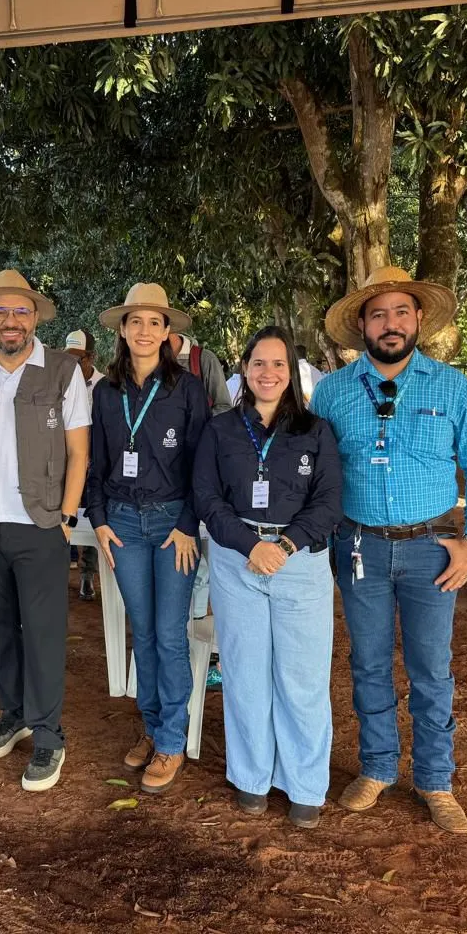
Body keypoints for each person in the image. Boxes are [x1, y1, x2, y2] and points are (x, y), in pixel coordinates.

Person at [311, 266, 467, 835]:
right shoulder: (332, 392)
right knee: (367, 662)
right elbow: (314, 470)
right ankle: (376, 767)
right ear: (361, 326)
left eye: (400, 312)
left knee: (431, 669)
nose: (390, 324)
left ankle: (436, 780)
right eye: (378, 314)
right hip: (359, 547)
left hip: (432, 552)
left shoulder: (452, 386)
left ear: (418, 319)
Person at [0, 269, 90, 793]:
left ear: (35, 318)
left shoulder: (63, 371)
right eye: (0, 311)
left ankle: (49, 733)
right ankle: (15, 712)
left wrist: (67, 518)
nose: (11, 320)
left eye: (21, 311)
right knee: (0, 628)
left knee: (44, 631)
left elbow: (79, 452)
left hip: (40, 523)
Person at [193, 326, 343, 829]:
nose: (269, 373)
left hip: (298, 563)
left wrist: (282, 546)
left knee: (301, 679)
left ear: (292, 373)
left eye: (279, 364)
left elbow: (329, 502)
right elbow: (208, 500)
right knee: (245, 674)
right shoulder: (220, 430)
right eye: (259, 363)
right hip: (239, 562)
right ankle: (252, 777)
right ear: (244, 369)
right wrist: (250, 546)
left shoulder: (315, 432)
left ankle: (305, 784)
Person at [87, 283, 209, 794]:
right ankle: (154, 726)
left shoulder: (187, 389)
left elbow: (205, 465)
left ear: (167, 332)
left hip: (171, 526)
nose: (144, 330)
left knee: (169, 633)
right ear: (122, 329)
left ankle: (170, 742)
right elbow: (94, 461)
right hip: (122, 523)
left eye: (154, 322)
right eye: (135, 321)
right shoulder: (105, 391)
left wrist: (187, 524)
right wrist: (98, 520)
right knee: (144, 632)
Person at [65, 328, 104, 599]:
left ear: (91, 357)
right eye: (69, 358)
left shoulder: (106, 386)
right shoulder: (60, 380)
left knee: (92, 518)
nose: (73, 365)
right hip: (68, 463)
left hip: (96, 466)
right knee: (65, 516)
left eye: (78, 360)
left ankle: (87, 575)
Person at [169, 330, 233, 414]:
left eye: (155, 323)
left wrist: (199, 423)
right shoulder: (151, 360)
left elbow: (224, 406)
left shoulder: (204, 359)